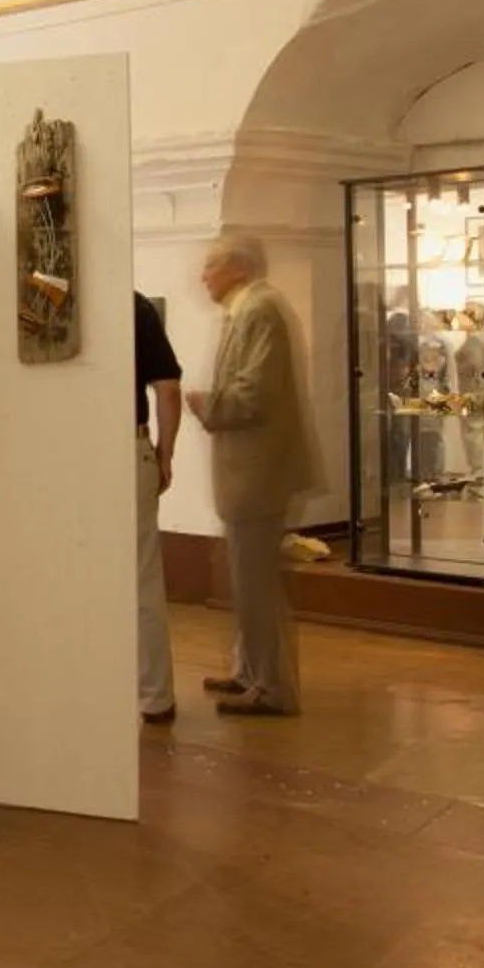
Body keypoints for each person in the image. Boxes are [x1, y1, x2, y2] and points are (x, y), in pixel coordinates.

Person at [186, 233, 317, 718]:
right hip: (248, 474)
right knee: (247, 580)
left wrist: (207, 404)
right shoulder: (246, 310)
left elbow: (255, 392)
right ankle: (249, 671)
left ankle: (271, 687)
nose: (203, 275)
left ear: (239, 268)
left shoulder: (259, 310)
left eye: (211, 265)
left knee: (257, 583)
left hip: (258, 474)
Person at [132, 292, 184, 723]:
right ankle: (155, 697)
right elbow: (168, 389)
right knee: (142, 580)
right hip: (126, 446)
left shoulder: (48, 292)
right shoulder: (134, 306)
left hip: (65, 452)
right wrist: (165, 454)